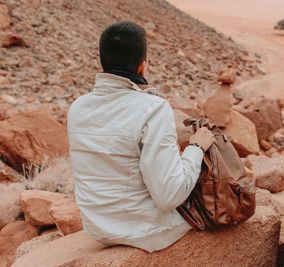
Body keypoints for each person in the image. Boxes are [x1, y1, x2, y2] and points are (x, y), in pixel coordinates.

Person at [67, 21, 215, 253]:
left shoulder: (77, 107)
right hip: (145, 230)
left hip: (97, 228)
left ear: (102, 61)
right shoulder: (154, 109)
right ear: (142, 66)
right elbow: (169, 196)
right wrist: (196, 148)